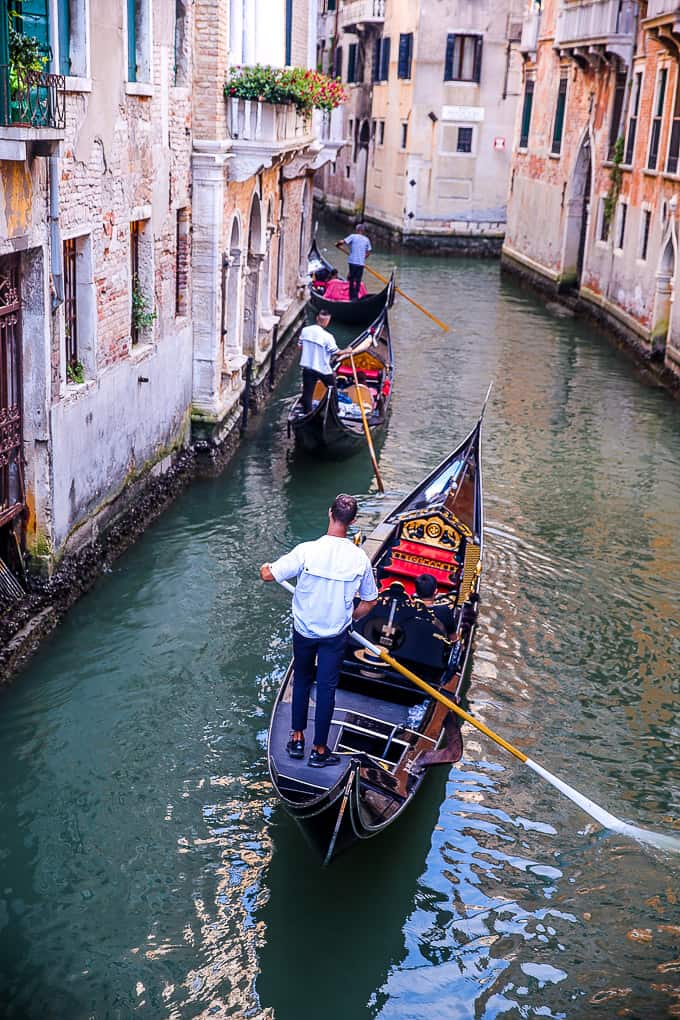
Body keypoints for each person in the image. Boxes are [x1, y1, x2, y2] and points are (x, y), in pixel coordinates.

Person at [260, 494, 379, 767]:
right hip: (335, 634)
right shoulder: (359, 559)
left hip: (304, 631)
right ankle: (320, 750)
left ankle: (297, 738)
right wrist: (351, 615)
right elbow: (370, 601)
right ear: (353, 522)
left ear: (330, 514)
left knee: (301, 680)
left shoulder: (306, 551)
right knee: (326, 688)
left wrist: (264, 568)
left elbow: (268, 575)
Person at [297, 309, 374, 413]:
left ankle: (307, 412)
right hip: (323, 369)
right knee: (332, 390)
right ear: (327, 321)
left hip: (308, 367)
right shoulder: (328, 337)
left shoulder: (305, 330)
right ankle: (336, 410)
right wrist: (347, 350)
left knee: (308, 392)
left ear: (317, 319)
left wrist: (311, 353)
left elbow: (300, 347)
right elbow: (336, 352)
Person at [336, 223, 372, 301]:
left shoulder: (353, 236)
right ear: (363, 231)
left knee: (352, 280)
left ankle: (351, 297)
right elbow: (369, 251)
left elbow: (343, 241)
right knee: (358, 280)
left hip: (352, 262)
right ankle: (356, 297)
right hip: (360, 263)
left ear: (357, 230)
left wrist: (338, 244)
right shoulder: (366, 239)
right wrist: (363, 258)